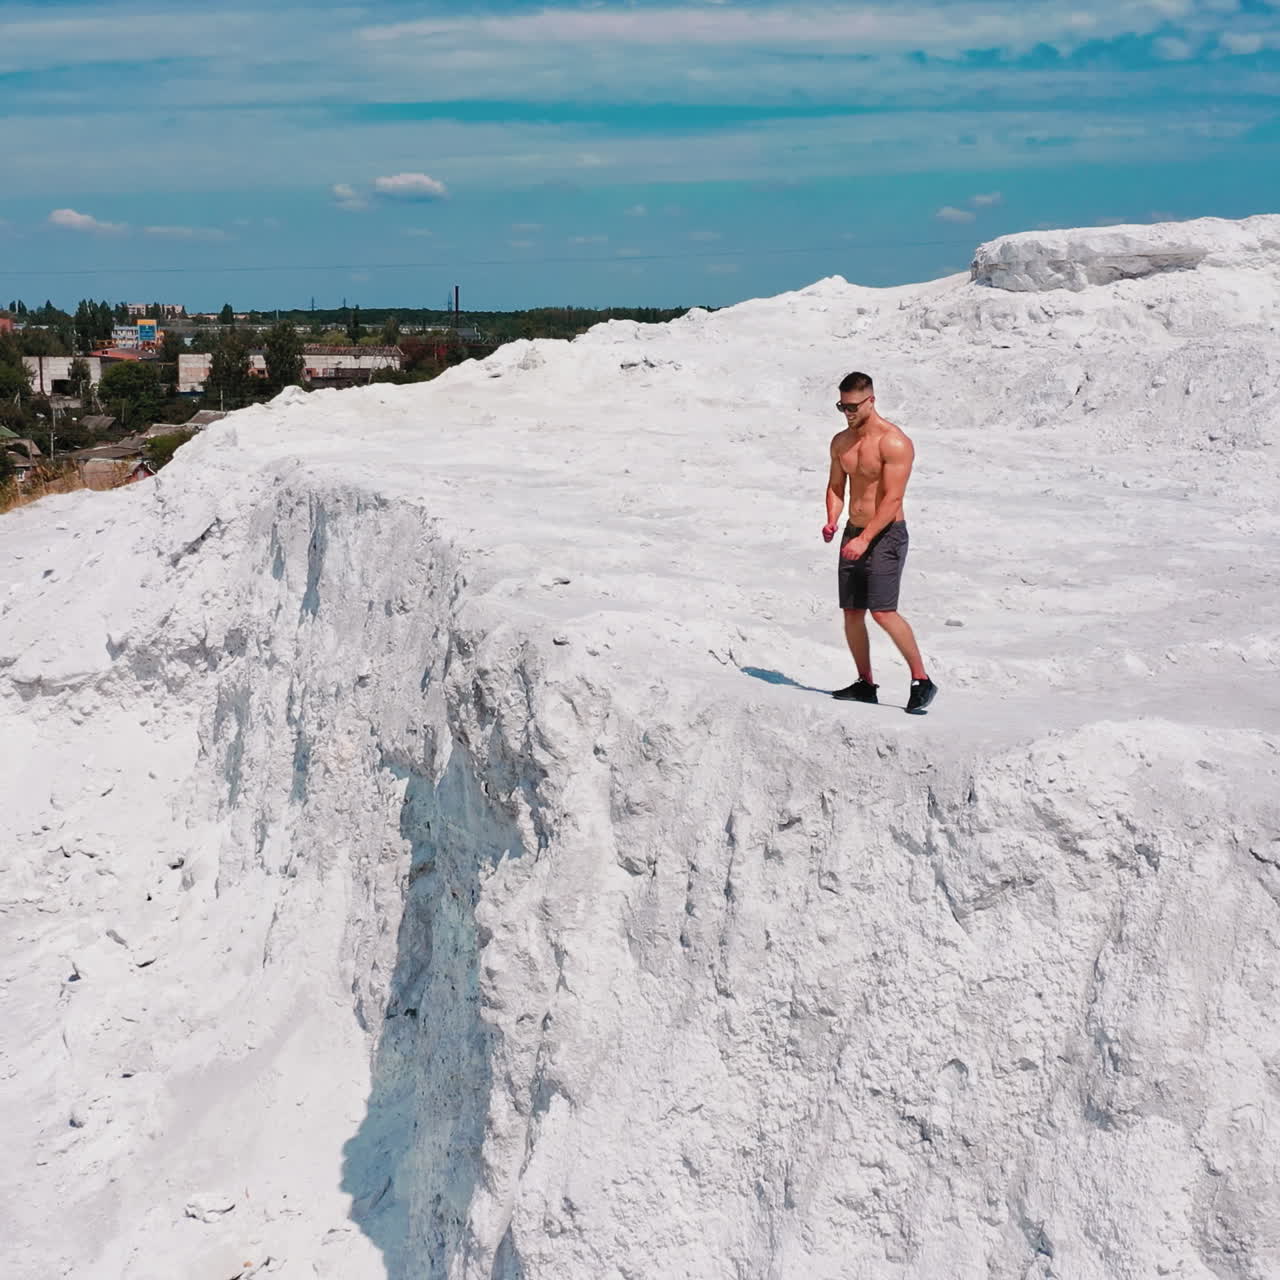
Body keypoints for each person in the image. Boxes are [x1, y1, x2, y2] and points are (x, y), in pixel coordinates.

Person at [822, 372, 937, 714]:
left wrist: (866, 538)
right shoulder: (841, 442)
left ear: (871, 400)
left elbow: (892, 500)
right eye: (842, 406)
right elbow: (835, 487)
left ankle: (922, 680)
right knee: (852, 612)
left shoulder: (894, 442)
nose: (848, 413)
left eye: (853, 406)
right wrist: (832, 518)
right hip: (853, 533)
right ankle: (865, 683)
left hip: (885, 535)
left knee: (883, 612)